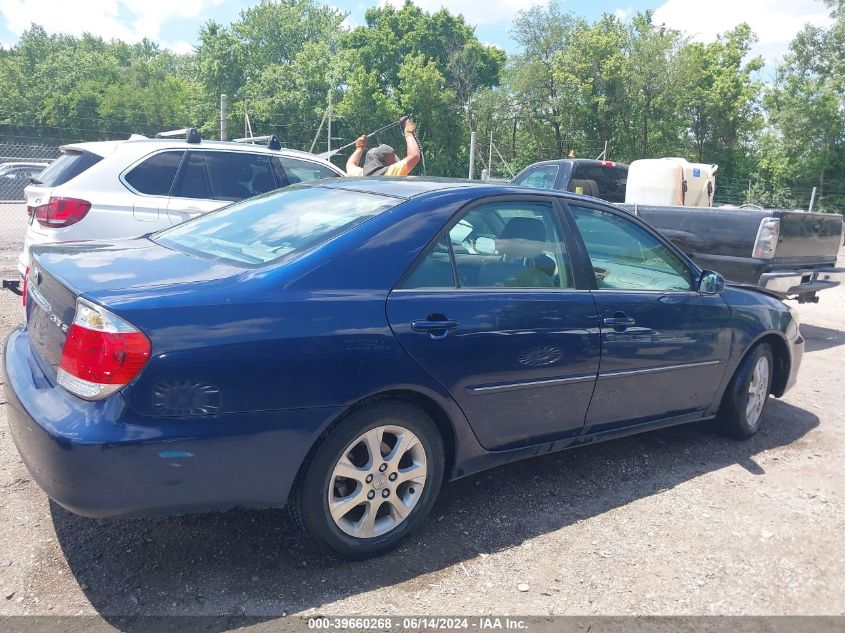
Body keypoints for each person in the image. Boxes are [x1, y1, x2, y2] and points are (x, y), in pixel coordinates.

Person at [346, 119, 420, 177]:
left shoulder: (361, 175)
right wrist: (409, 134)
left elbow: (350, 165)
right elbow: (414, 155)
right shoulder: (390, 174)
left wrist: (359, 149)